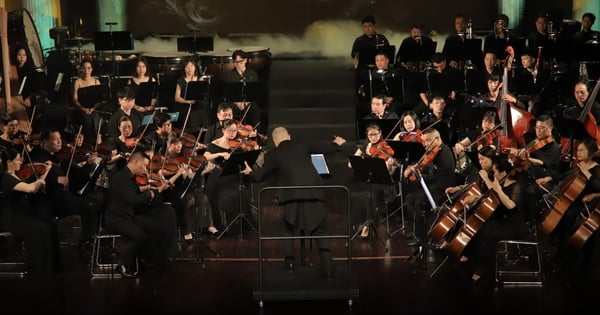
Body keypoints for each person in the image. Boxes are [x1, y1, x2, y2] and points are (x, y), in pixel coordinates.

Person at [241, 126, 346, 276]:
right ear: (289, 136)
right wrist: (336, 143)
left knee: (288, 229)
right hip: (313, 193)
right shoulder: (302, 144)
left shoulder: (273, 154)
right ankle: (328, 267)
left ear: (275, 141)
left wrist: (249, 173)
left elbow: (259, 177)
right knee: (320, 230)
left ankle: (290, 264)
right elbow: (322, 148)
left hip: (291, 196)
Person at [104, 150, 178, 278]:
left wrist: (150, 188)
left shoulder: (127, 176)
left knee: (158, 228)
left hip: (127, 216)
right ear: (135, 161)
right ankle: (123, 264)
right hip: (116, 219)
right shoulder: (120, 177)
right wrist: (149, 194)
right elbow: (133, 200)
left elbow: (133, 190)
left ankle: (148, 260)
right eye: (143, 166)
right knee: (141, 236)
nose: (145, 169)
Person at [29, 127, 100, 253]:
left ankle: (88, 241)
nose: (59, 142)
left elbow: (77, 177)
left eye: (60, 139)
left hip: (60, 197)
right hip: (46, 200)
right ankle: (86, 243)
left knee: (91, 204)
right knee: (88, 207)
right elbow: (31, 178)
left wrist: (89, 164)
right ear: (44, 142)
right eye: (55, 139)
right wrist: (55, 180)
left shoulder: (60, 157)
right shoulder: (37, 156)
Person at [465, 154, 532, 282]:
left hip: (513, 225)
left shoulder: (516, 186)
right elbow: (490, 195)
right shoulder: (499, 183)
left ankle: (484, 267)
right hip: (501, 220)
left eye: (495, 172)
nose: (493, 175)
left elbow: (511, 205)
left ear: (503, 172)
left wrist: (499, 190)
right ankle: (477, 261)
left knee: (486, 233)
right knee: (479, 227)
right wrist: (476, 198)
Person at [0, 147, 55, 273]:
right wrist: (40, 180)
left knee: (48, 224)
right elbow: (30, 188)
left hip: (22, 214)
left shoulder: (17, 175)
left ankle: (48, 266)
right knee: (39, 228)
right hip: (12, 217)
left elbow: (34, 188)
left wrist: (45, 172)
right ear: (9, 162)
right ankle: (37, 267)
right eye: (18, 160)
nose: (21, 162)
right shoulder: (5, 178)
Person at [203, 119, 258, 233]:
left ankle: (244, 221)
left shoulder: (238, 144)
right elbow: (206, 156)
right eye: (230, 131)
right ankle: (225, 223)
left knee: (242, 190)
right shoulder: (215, 144)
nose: (233, 133)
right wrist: (221, 154)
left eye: (235, 130)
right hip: (218, 176)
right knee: (227, 192)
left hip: (232, 174)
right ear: (223, 130)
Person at [402, 128, 455, 246]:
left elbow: (434, 176)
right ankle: (417, 231)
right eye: (424, 141)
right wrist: (413, 167)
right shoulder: (433, 151)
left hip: (443, 188)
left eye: (427, 140)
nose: (425, 144)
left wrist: (419, 175)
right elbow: (427, 166)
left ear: (436, 139)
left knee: (419, 200)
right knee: (409, 198)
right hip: (434, 184)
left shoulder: (445, 154)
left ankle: (422, 237)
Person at [508, 114, 561, 228]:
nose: (539, 131)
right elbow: (525, 156)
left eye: (542, 128)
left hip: (545, 178)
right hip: (530, 174)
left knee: (529, 191)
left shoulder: (554, 147)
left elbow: (541, 163)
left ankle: (530, 223)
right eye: (537, 127)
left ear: (550, 128)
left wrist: (528, 158)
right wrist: (516, 154)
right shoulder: (535, 141)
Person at [72, 59, 104, 146]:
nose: (86, 71)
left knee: (95, 116)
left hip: (95, 108)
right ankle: (88, 142)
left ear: (92, 69)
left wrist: (93, 108)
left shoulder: (96, 81)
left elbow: (99, 99)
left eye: (88, 68)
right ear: (81, 69)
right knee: (87, 117)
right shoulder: (77, 82)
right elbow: (75, 99)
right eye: (84, 68)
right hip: (81, 109)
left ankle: (97, 141)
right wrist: (83, 109)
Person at [173, 58, 208, 133]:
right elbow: (177, 98)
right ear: (184, 69)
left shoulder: (199, 79)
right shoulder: (180, 81)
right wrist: (187, 101)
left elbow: (204, 95)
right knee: (189, 115)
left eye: (192, 66)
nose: (190, 69)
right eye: (187, 67)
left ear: (195, 67)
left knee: (202, 110)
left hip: (198, 105)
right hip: (185, 106)